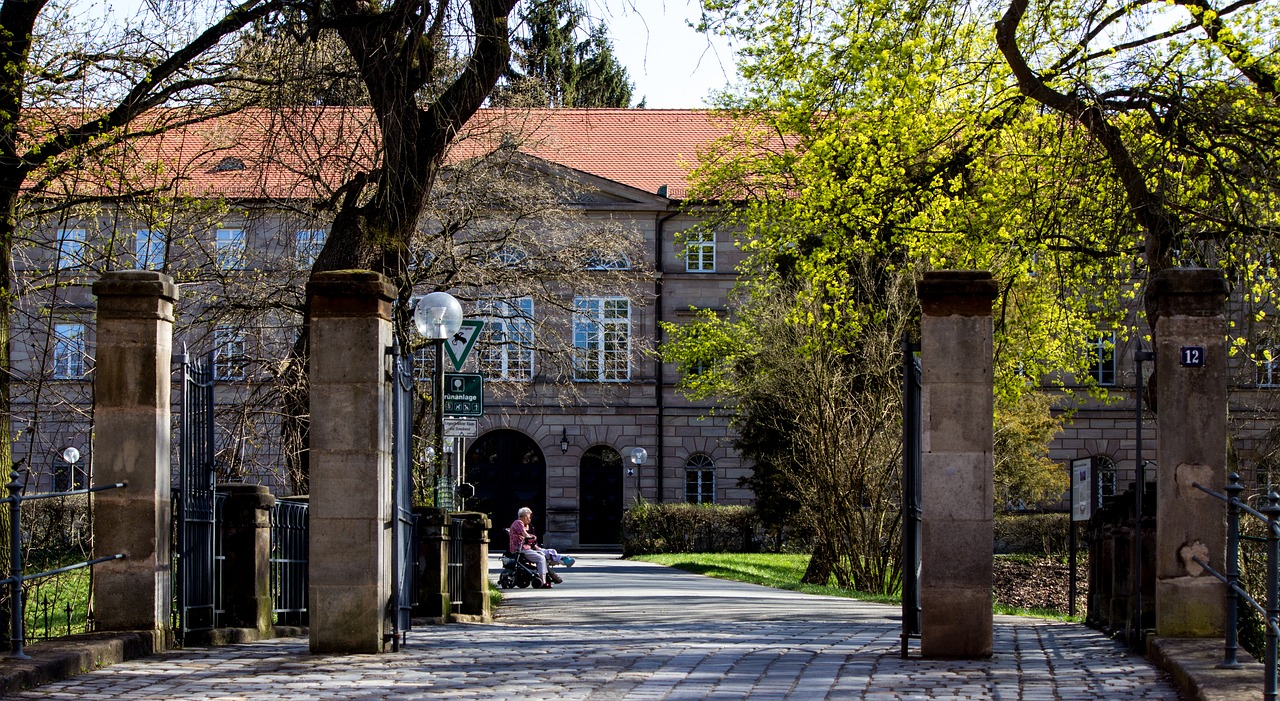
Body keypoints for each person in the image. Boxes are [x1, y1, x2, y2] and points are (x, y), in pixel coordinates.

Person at [508, 507, 575, 588]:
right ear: (525, 516)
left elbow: (528, 537)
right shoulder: (518, 522)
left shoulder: (527, 525)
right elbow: (525, 535)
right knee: (541, 558)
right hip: (520, 549)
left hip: (527, 548)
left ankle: (562, 560)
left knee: (546, 554)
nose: (530, 519)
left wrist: (532, 538)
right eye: (529, 517)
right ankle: (543, 581)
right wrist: (532, 537)